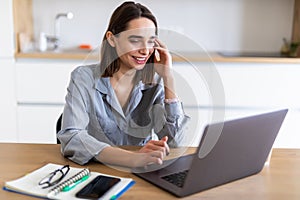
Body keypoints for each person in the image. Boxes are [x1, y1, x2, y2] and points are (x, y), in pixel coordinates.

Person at [57, 1, 189, 167]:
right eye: (135, 40)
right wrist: (132, 159)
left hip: (140, 174)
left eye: (150, 42)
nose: (145, 50)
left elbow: (176, 143)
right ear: (112, 39)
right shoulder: (84, 78)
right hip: (95, 172)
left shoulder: (154, 83)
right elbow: (72, 137)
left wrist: (168, 78)